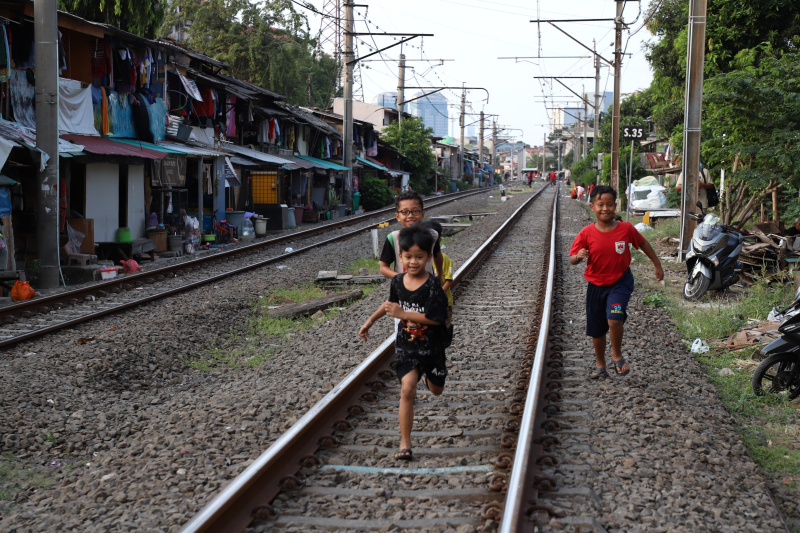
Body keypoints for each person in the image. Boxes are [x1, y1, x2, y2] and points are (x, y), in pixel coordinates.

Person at [359, 225, 449, 461]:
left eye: (419, 257)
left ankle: (431, 377)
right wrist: (370, 321)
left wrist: (403, 314)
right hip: (407, 347)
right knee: (407, 389)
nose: (413, 262)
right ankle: (405, 444)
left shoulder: (434, 287)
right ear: (401, 257)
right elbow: (391, 305)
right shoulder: (397, 282)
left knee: (436, 390)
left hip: (432, 347)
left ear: (429, 257)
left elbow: (436, 319)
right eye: (408, 257)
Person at [569, 185, 664, 379]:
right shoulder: (586, 233)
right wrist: (578, 257)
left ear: (615, 206)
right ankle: (600, 366)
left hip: (620, 282)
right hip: (595, 285)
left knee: (614, 319)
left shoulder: (625, 229)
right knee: (597, 329)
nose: (605, 208)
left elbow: (643, 243)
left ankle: (617, 355)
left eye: (610, 204)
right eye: (600, 204)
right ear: (592, 207)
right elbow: (572, 258)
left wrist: (657, 264)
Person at [379, 191, 444, 281]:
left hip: (428, 286)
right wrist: (401, 278)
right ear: (397, 216)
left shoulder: (433, 235)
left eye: (415, 211)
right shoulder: (393, 238)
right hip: (402, 289)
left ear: (422, 214)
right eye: (405, 212)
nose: (410, 216)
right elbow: (383, 267)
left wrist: (439, 275)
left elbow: (437, 255)